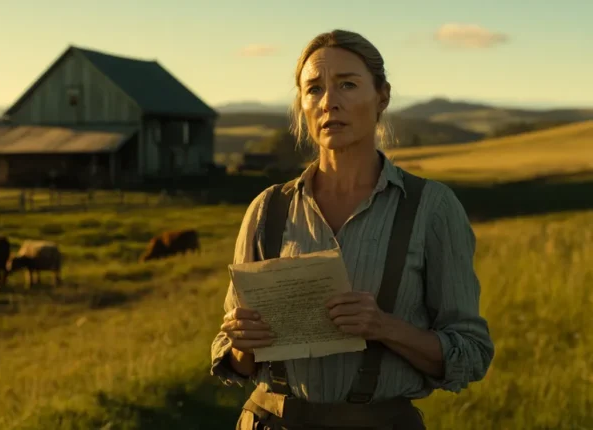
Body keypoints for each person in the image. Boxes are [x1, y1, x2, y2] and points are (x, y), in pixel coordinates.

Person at [210, 29, 495, 429]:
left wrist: (383, 327)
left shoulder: (431, 207)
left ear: (382, 96)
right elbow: (233, 359)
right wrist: (241, 343)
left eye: (347, 84)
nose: (329, 102)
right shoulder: (267, 209)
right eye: (314, 89)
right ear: (302, 105)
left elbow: (471, 353)